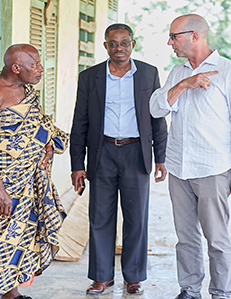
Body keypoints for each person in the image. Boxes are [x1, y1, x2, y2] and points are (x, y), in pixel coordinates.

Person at [150, 14, 231, 299]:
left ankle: (221, 293)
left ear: (194, 36)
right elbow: (156, 109)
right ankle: (189, 290)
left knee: (217, 239)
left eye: (174, 36)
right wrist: (184, 84)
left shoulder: (229, 72)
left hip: (212, 169)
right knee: (186, 239)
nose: (170, 42)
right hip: (179, 168)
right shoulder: (177, 72)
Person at [70, 23, 168, 295]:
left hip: (136, 153)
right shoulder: (90, 77)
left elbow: (158, 118)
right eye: (113, 43)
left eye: (124, 42)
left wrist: (161, 157)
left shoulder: (149, 74)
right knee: (100, 216)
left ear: (133, 44)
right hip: (102, 153)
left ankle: (133, 276)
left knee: (137, 217)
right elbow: (79, 122)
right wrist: (77, 164)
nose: (119, 48)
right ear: (105, 46)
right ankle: (102, 277)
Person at [0, 44, 69, 299]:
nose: (40, 69)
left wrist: (46, 144)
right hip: (0, 182)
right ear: (16, 68)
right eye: (34, 64)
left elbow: (36, 125)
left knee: (21, 239)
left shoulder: (25, 91)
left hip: (27, 180)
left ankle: (11, 294)